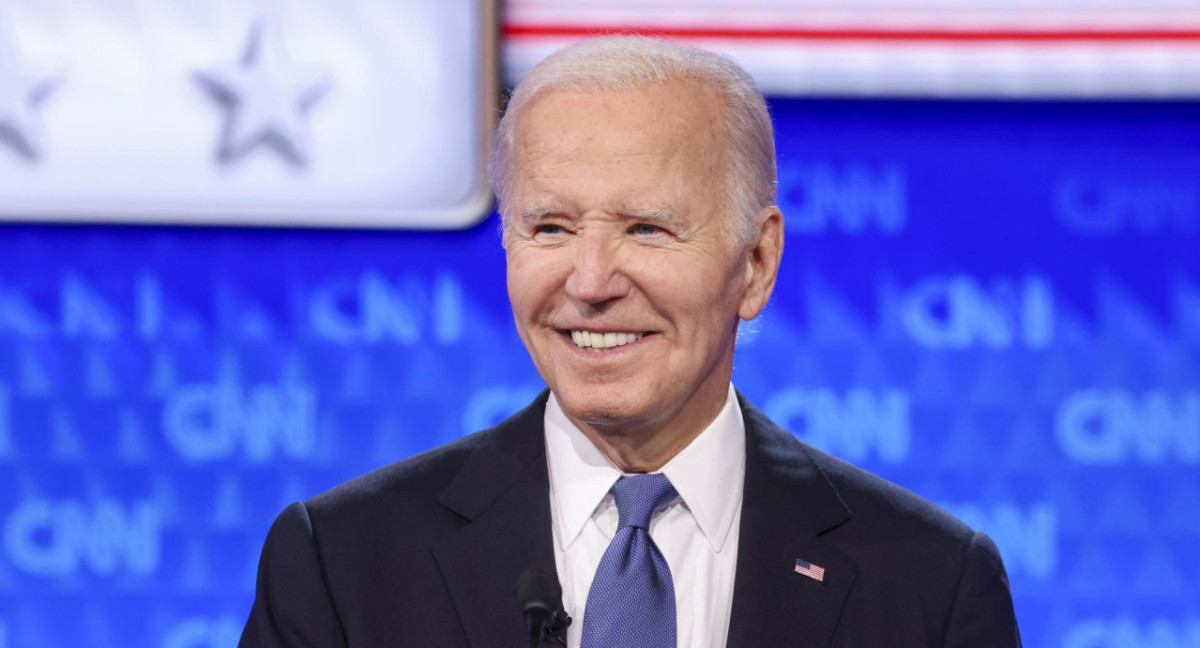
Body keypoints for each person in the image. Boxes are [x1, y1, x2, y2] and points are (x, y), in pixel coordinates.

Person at [239, 36, 1021, 648]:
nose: (588, 281)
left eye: (646, 228)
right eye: (551, 227)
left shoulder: (930, 586)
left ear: (755, 263)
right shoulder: (342, 565)